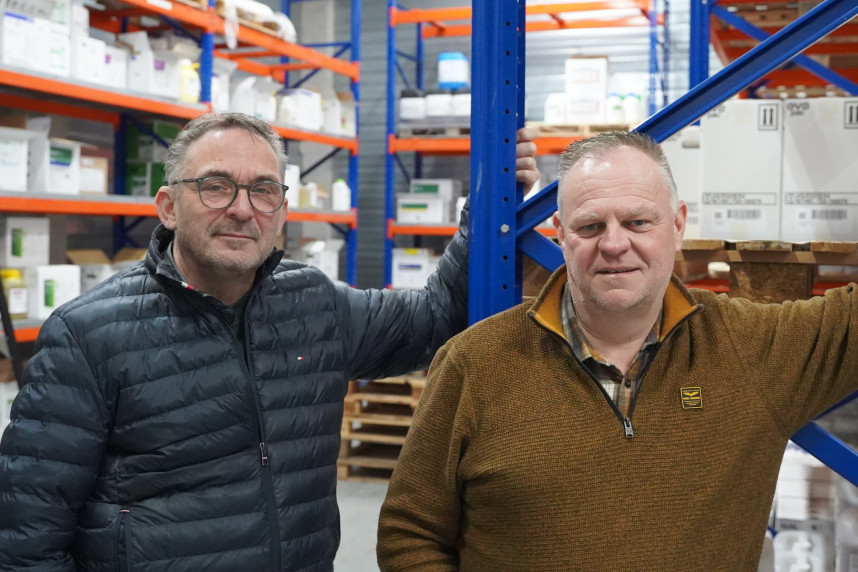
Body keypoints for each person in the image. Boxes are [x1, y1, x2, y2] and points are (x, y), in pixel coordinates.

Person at [0, 112, 539, 571]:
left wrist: (487, 203)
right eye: (216, 186)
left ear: (280, 212)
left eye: (263, 190)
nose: (242, 208)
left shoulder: (315, 304)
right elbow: (27, 534)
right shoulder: (87, 334)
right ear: (168, 206)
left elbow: (437, 315)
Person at [376, 130, 858, 570]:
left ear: (678, 224)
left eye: (637, 221)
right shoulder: (475, 364)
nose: (613, 244)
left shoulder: (750, 349)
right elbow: (410, 534)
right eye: (589, 226)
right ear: (560, 233)